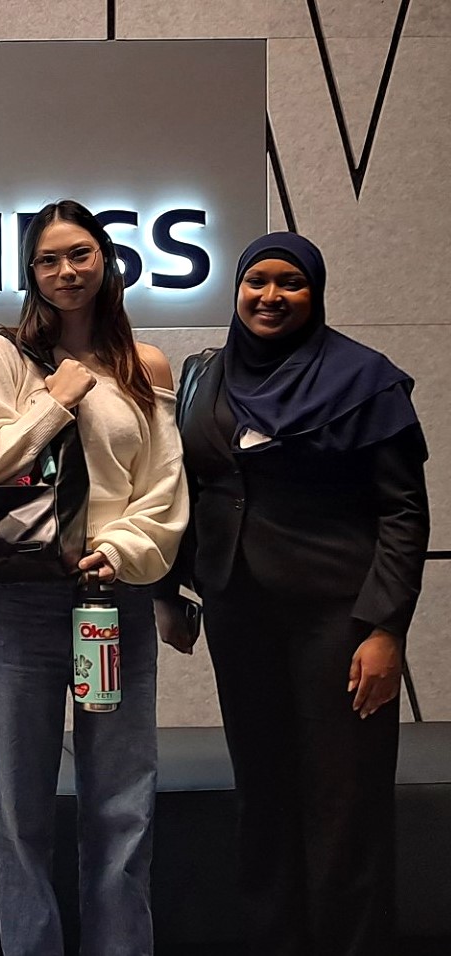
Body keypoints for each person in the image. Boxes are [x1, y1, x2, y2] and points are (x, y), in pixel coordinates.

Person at [155, 232, 427, 956]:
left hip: (338, 621)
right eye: (257, 282)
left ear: (315, 293)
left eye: (290, 284)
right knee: (264, 796)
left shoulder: (364, 380)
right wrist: (168, 589)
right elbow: (195, 490)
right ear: (237, 289)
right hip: (240, 614)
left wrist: (385, 629)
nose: (270, 297)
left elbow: (403, 512)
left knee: (345, 806)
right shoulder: (206, 376)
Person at [0, 200, 187, 956]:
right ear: (31, 272)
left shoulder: (144, 365)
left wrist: (118, 549)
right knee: (17, 814)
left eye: (79, 254)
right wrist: (55, 401)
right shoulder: (3, 355)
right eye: (48, 260)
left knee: (122, 806)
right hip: (21, 608)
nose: (66, 272)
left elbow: (163, 489)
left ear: (105, 258)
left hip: (111, 602)